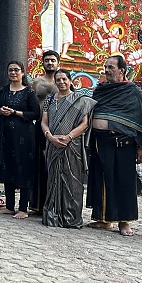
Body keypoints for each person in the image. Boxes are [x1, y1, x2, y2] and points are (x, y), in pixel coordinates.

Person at [86, 55, 142, 236]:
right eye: (105, 67)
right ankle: (103, 219)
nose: (107, 70)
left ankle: (124, 222)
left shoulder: (132, 92)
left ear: (122, 70)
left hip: (123, 144)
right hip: (100, 142)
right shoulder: (100, 90)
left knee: (123, 182)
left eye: (111, 67)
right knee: (101, 180)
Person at [40, 68, 95, 228]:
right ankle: (53, 215)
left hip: (72, 145)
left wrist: (69, 137)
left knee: (72, 180)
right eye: (58, 80)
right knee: (53, 180)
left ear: (71, 80)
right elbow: (44, 121)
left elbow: (85, 123)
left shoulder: (80, 99)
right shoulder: (50, 100)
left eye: (64, 79)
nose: (61, 82)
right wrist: (50, 137)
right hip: (52, 144)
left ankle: (71, 217)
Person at [0, 60, 41, 219]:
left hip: (24, 137)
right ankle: (9, 206)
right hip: (6, 135)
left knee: (24, 169)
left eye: (16, 70)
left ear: (22, 73)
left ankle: (23, 208)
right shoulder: (3, 91)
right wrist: (0, 110)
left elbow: (35, 114)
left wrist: (15, 112)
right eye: (10, 70)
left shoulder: (28, 92)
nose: (13, 73)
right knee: (8, 169)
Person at [29, 49, 61, 214]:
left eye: (52, 60)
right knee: (38, 166)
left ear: (58, 63)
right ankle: (37, 204)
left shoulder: (62, 82)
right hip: (39, 127)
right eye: (47, 60)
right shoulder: (37, 82)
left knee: (53, 166)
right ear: (43, 63)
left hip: (57, 127)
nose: (50, 63)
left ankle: (53, 203)